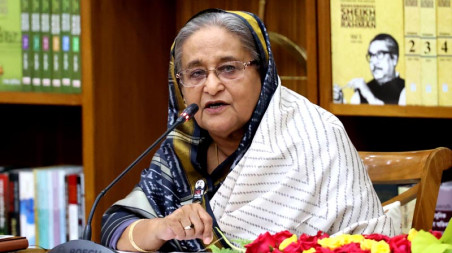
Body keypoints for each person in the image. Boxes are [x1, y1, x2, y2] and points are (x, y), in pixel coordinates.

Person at [100, 9, 400, 252]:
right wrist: (161, 227)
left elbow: (370, 243)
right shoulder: (184, 147)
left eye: (229, 68)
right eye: (196, 73)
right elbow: (115, 227)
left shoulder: (316, 136)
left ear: (264, 72)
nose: (212, 85)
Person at [334, 33, 406, 105]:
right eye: (371, 55)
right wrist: (340, 103)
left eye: (380, 54)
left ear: (394, 59)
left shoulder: (406, 91)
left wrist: (368, 95)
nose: (373, 61)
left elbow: (392, 114)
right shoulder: (360, 94)